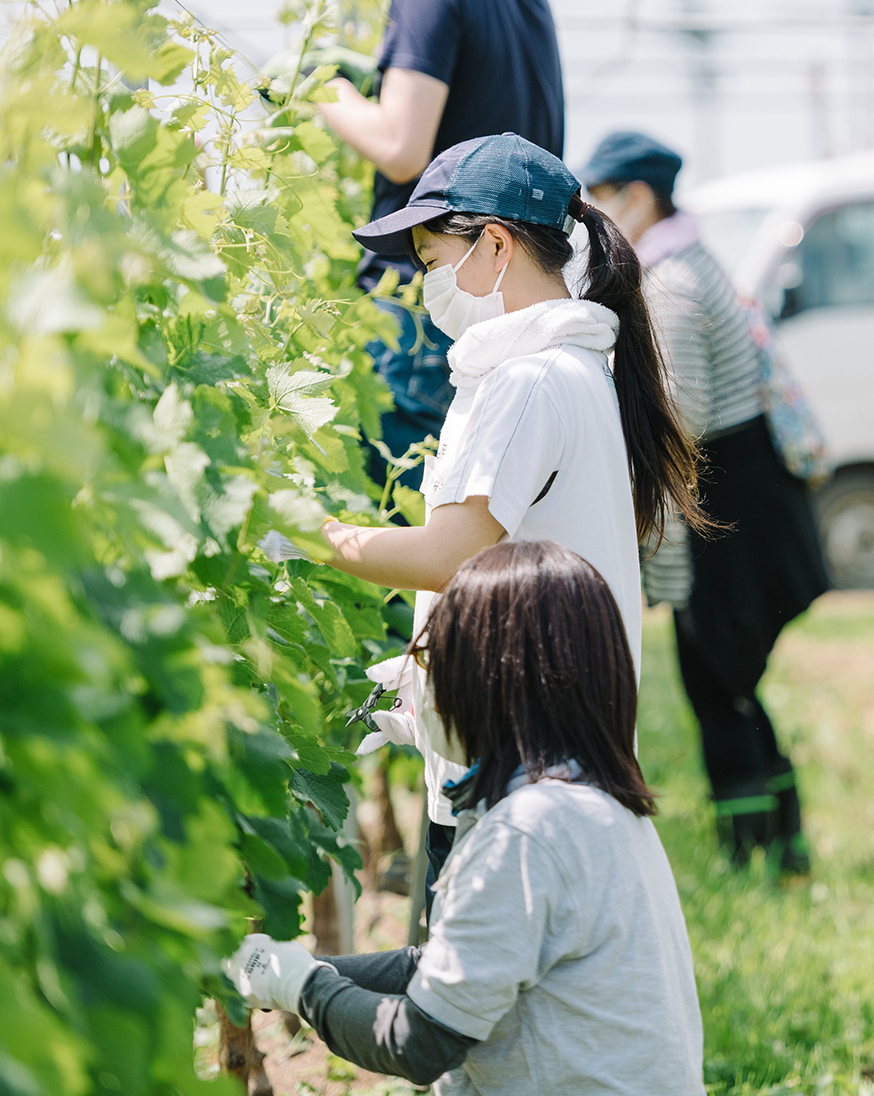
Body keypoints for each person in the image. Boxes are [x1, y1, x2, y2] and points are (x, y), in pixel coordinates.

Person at [318, 132, 702, 897]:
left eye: (433, 263)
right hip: (542, 757)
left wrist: (314, 538)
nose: (430, 286)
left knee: (469, 1012)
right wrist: (421, 679)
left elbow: (449, 554)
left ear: (494, 244)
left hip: (517, 783)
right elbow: (514, 562)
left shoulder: (529, 381)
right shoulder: (572, 368)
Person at [226, 540, 705, 1095]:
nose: (422, 684)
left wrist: (300, 985)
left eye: (431, 661)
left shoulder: (524, 837)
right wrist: (286, 967)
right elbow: (440, 966)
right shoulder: (593, 805)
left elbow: (417, 1041)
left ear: (490, 679)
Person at [582, 131, 830, 873]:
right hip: (746, 503)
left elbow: (675, 431)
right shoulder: (687, 263)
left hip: (734, 513)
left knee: (719, 680)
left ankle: (752, 846)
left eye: (601, 196)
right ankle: (777, 840)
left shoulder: (672, 287)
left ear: (638, 196)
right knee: (731, 682)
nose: (595, 214)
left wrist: (647, 546)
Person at [303, 0, 565, 486]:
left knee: (407, 504)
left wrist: (323, 88)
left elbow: (399, 145)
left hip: (426, 302)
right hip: (506, 288)